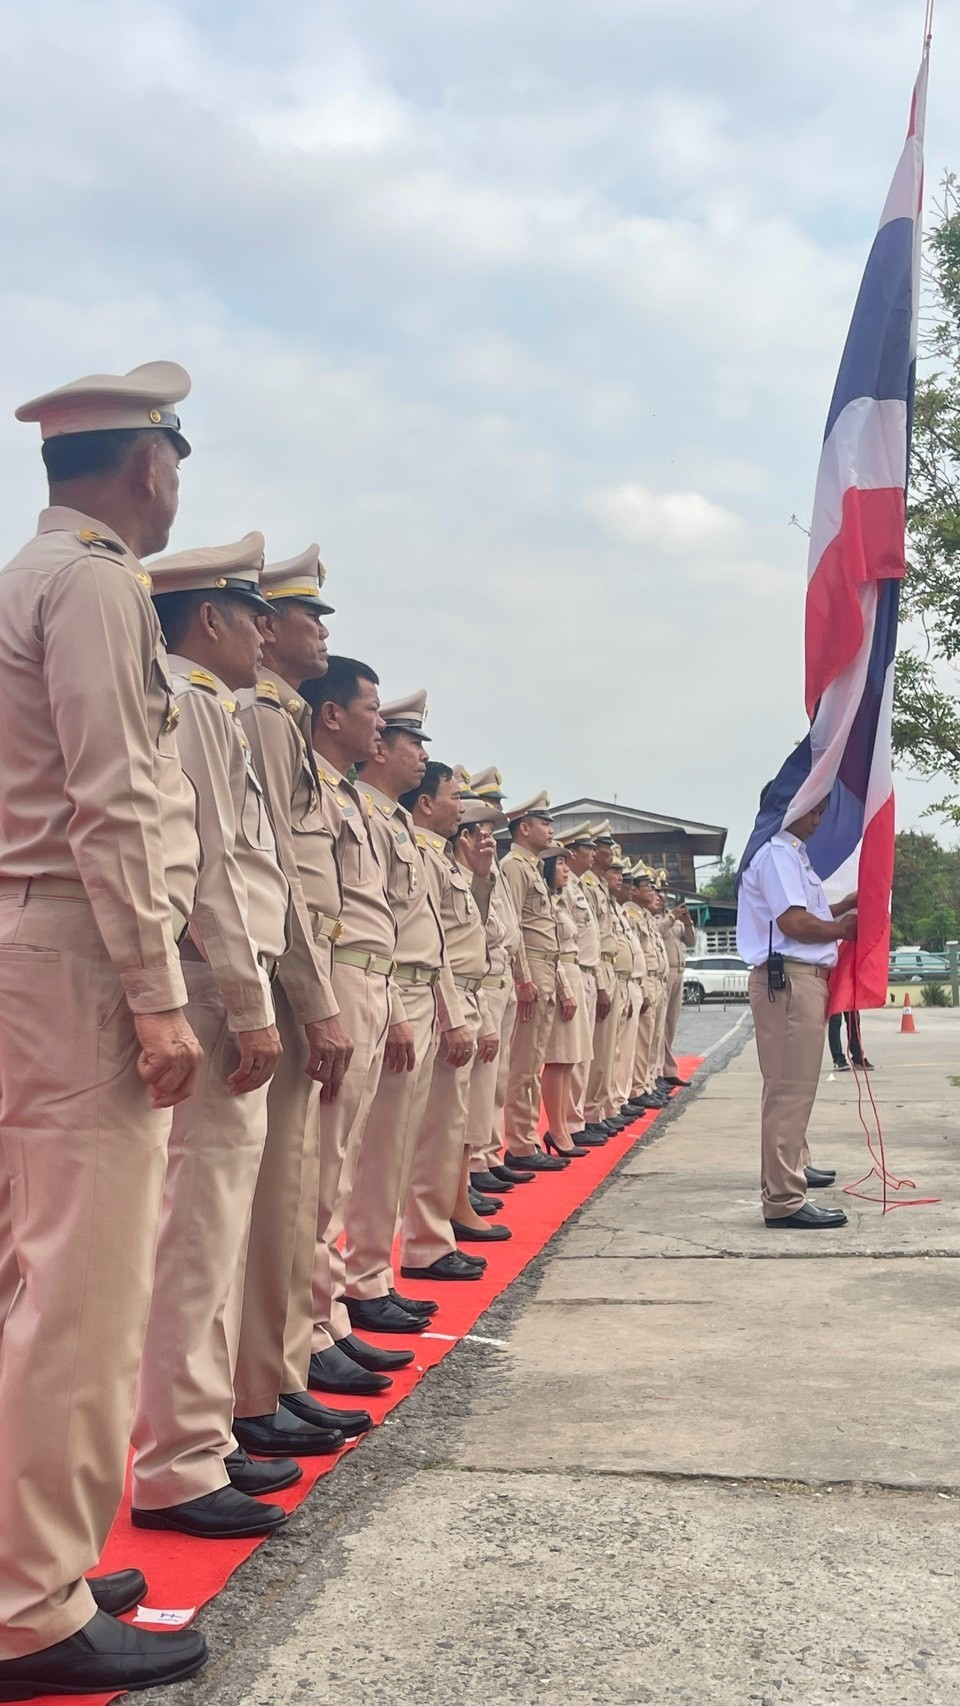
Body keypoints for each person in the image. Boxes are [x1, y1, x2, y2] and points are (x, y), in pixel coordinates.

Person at [0, 363, 207, 1696]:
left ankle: (37, 1557)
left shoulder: (24, 577)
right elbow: (116, 801)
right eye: (178, 464)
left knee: (32, 1274)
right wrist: (157, 987)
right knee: (80, 1292)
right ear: (147, 467)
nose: (178, 487)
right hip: (77, 947)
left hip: (32, 937)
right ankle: (32, 1606)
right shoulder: (93, 586)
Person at [132, 534, 300, 1541]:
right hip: (204, 981)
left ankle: (205, 1435)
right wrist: (247, 999)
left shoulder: (215, 705)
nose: (269, 631)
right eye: (254, 614)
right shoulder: (195, 702)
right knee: (197, 1229)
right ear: (208, 620)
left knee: (219, 1223)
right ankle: (178, 1458)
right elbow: (210, 871)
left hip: (212, 979)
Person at [233, 545, 360, 1457]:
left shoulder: (279, 722)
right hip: (275, 978)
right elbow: (269, 868)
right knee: (264, 1203)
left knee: (295, 1192)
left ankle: (277, 1376)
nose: (320, 632)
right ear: (264, 629)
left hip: (293, 973)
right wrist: (313, 1000)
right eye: (309, 617)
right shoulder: (259, 718)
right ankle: (251, 1394)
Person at [343, 692, 464, 1339]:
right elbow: (374, 924)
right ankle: (359, 1280)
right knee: (370, 1151)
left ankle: (372, 1275)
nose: (422, 753)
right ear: (379, 747)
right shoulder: (359, 812)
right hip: (385, 991)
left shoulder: (391, 824)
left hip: (409, 992)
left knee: (391, 1146)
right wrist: (395, 1007)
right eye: (412, 741)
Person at [298, 660, 403, 1399]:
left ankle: (328, 1311)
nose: (381, 721)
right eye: (370, 708)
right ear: (332, 716)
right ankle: (309, 1324)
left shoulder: (352, 800)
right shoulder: (311, 782)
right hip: (333, 974)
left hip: (368, 975)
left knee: (339, 1163)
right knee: (316, 1166)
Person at [737, 794, 857, 1228]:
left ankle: (793, 1168)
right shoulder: (776, 855)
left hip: (795, 978)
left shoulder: (792, 855)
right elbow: (794, 923)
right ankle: (784, 1198)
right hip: (788, 979)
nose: (818, 820)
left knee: (789, 1088)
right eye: (813, 810)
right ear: (790, 807)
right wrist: (842, 928)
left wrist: (840, 910)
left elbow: (803, 914)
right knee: (789, 1091)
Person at [398, 761, 495, 1281]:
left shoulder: (445, 860)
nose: (463, 809)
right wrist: (451, 1011)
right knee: (422, 1134)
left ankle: (431, 1241)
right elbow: (426, 944)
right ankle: (419, 1245)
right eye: (454, 797)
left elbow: (463, 932)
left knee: (446, 1126)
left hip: (450, 996)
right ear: (426, 804)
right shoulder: (415, 849)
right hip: (430, 997)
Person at [463, 769, 530, 1193]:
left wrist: (520, 975)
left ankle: (488, 1151)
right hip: (479, 975)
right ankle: (471, 1162)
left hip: (501, 971)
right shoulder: (471, 861)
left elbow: (513, 924)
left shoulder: (494, 864)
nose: (495, 817)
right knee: (478, 1080)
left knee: (498, 1077)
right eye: (487, 809)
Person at [501, 792, 574, 1172]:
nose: (551, 829)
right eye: (544, 822)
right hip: (532, 971)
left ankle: (526, 1138)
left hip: (547, 970)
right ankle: (518, 1142)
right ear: (524, 828)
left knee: (532, 1065)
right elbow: (513, 928)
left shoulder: (532, 868)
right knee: (523, 1067)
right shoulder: (514, 866)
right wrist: (523, 978)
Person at [540, 847, 591, 1157]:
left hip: (573, 971)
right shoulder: (547, 901)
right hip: (562, 977)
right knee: (558, 1058)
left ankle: (560, 1125)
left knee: (570, 1058)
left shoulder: (560, 900)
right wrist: (563, 989)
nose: (566, 868)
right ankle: (556, 1128)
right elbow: (550, 947)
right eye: (559, 862)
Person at [556, 823, 603, 1145]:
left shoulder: (581, 886)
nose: (595, 854)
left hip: (585, 971)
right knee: (569, 1057)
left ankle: (580, 1118)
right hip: (571, 972)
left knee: (583, 1054)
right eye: (589, 849)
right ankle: (572, 1122)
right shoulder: (565, 886)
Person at [582, 821, 623, 1139]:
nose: (608, 852)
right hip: (597, 969)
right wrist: (598, 982)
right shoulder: (586, 885)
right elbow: (589, 940)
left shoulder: (599, 887)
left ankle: (599, 1107)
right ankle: (589, 1112)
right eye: (602, 847)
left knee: (608, 1049)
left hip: (608, 968)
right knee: (595, 1049)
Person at [659, 889, 696, 1088]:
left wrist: (688, 922)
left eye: (664, 892)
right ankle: (661, 1071)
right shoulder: (658, 919)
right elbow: (658, 932)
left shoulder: (676, 920)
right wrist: (671, 917)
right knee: (659, 1027)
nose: (662, 896)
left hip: (679, 971)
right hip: (665, 972)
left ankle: (667, 1070)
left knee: (671, 1025)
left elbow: (690, 941)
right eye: (658, 891)